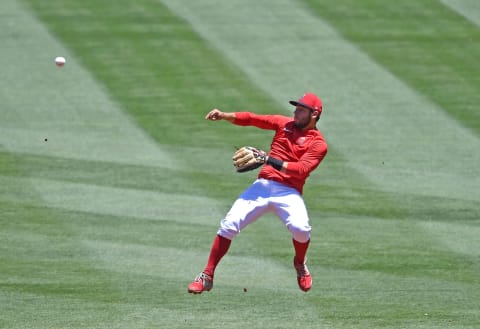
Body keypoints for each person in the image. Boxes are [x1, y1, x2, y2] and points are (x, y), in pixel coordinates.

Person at [188, 92, 328, 293]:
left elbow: (301, 169)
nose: (295, 112)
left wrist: (268, 159)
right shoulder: (284, 123)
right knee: (229, 224)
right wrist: (224, 115)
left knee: (301, 229)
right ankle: (206, 275)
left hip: (289, 192)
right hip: (262, 185)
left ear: (314, 114)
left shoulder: (318, 144)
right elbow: (253, 118)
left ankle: (299, 263)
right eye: (296, 108)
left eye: (301, 109)